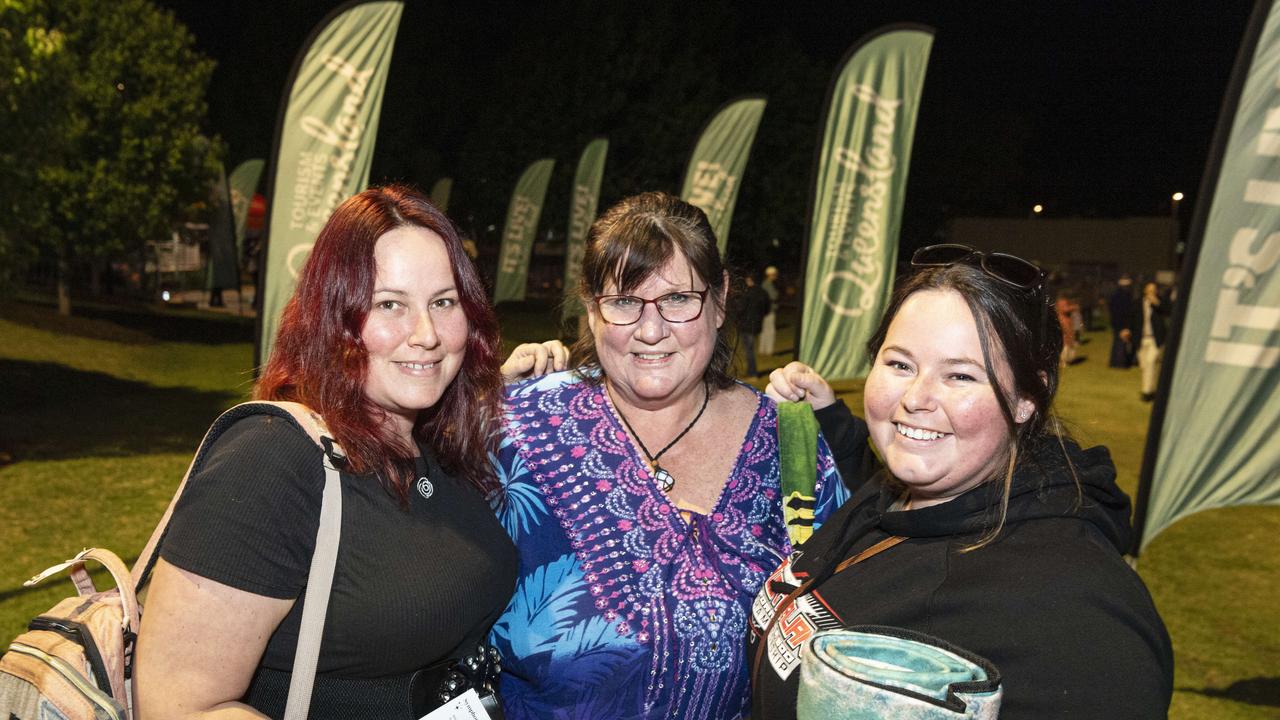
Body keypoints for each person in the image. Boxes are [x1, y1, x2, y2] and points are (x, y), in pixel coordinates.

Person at [134, 186, 518, 718]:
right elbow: (178, 707)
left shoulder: (430, 441)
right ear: (335, 318)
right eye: (390, 304)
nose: (427, 334)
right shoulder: (271, 461)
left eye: (444, 302)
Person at [751, 244, 1172, 719]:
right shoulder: (909, 489)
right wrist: (831, 417)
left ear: (1026, 399)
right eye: (899, 364)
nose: (915, 398)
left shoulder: (1072, 604)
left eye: (960, 376)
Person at [491, 191, 848, 720]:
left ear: (720, 299)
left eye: (679, 299)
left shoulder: (788, 445)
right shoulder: (516, 429)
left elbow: (843, 632)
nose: (651, 330)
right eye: (624, 301)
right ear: (592, 308)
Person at [1134, 281, 1169, 401]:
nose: (1151, 292)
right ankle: (1152, 388)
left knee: (1150, 363)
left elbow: (1167, 311)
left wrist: (1156, 303)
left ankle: (1146, 392)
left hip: (1155, 339)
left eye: (1154, 290)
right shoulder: (1138, 303)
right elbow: (1133, 318)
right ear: (1145, 290)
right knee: (1145, 366)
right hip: (1142, 339)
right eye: (1149, 289)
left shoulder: (1160, 302)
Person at [737, 271, 772, 377]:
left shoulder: (747, 293)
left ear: (749, 280)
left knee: (749, 350)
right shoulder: (763, 292)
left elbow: (740, 309)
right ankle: (750, 371)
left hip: (746, 325)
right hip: (757, 325)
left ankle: (752, 372)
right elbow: (767, 309)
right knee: (750, 349)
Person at [1108, 275, 1136, 368]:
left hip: (1116, 321)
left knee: (1117, 341)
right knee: (1121, 342)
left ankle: (1115, 361)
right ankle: (1119, 362)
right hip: (1122, 322)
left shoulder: (1115, 295)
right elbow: (1127, 311)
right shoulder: (1126, 296)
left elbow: (1111, 308)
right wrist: (1126, 325)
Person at [757, 265, 780, 356]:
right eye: (774, 274)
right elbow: (774, 296)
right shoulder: (768, 284)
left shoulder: (764, 284)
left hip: (764, 311)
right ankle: (769, 351)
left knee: (764, 331)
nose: (775, 276)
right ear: (771, 275)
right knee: (770, 331)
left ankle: (762, 350)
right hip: (769, 311)